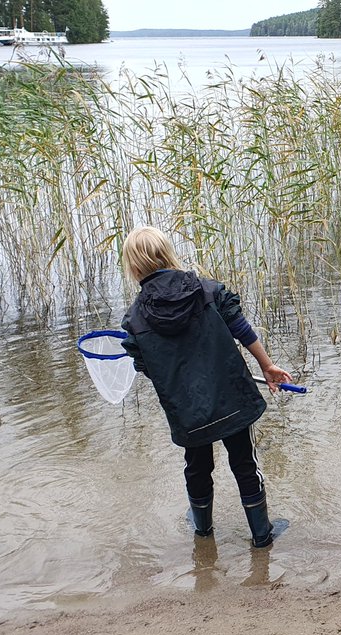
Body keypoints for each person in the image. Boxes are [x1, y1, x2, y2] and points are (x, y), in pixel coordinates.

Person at [119, 227, 292, 548]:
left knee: (197, 466)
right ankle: (262, 535)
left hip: (188, 411)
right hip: (232, 399)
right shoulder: (207, 290)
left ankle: (203, 531)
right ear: (167, 254)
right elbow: (240, 327)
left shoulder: (135, 318)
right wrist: (267, 365)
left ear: (134, 267)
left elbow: (144, 366)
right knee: (244, 463)